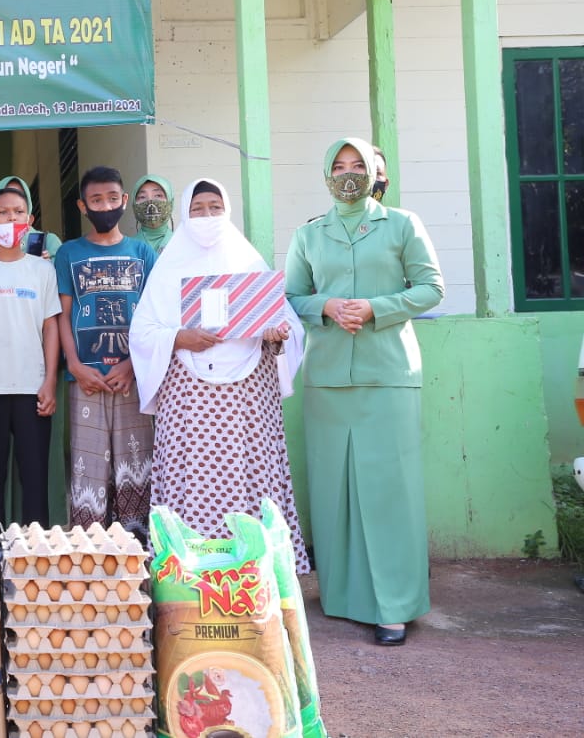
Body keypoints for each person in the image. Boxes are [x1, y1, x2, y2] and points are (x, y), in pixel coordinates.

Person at [285, 136, 444, 647]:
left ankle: (394, 605)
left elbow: (432, 287)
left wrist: (376, 308)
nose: (348, 173)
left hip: (388, 372)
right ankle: (343, 597)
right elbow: (290, 296)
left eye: (358, 165)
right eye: (339, 165)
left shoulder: (402, 224)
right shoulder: (308, 234)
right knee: (335, 489)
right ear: (326, 175)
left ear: (376, 174)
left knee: (389, 491)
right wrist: (327, 307)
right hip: (328, 376)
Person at [130, 178, 309, 568]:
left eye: (215, 207)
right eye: (197, 209)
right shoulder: (168, 268)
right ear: (184, 214)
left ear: (227, 211)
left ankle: (254, 571)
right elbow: (141, 332)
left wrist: (275, 334)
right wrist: (179, 337)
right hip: (190, 399)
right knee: (192, 479)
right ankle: (188, 572)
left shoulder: (248, 263)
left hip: (247, 398)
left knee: (251, 477)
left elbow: (288, 327)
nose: (207, 216)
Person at [54, 166, 158, 533]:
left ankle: (137, 550)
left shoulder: (142, 252)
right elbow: (62, 314)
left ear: (124, 201)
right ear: (82, 206)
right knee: (88, 469)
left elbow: (154, 315)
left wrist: (131, 365)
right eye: (96, 200)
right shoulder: (68, 253)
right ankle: (91, 552)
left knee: (136, 462)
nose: (105, 206)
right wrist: (74, 365)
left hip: (132, 378)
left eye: (112, 198)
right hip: (85, 378)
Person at [0, 186, 60, 557]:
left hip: (33, 386)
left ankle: (36, 555)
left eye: (19, 212)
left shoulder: (43, 270)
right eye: (3, 213)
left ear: (30, 220)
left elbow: (50, 327)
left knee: (34, 475)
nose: (12, 219)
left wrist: (49, 380)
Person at [0, 176, 63, 258]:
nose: (12, 217)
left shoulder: (48, 242)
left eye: (19, 196)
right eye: (3, 212)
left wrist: (48, 265)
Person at [131, 174, 176, 255]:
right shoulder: (128, 249)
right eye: (142, 197)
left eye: (158, 195)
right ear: (134, 205)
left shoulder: (183, 245)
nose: (150, 202)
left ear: (171, 203)